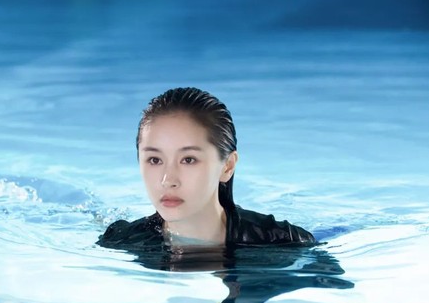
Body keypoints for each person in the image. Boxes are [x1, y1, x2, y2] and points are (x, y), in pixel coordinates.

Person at [97, 87, 316, 250]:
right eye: (154, 160)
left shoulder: (283, 241)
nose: (168, 180)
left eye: (188, 159)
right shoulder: (121, 241)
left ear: (227, 166)